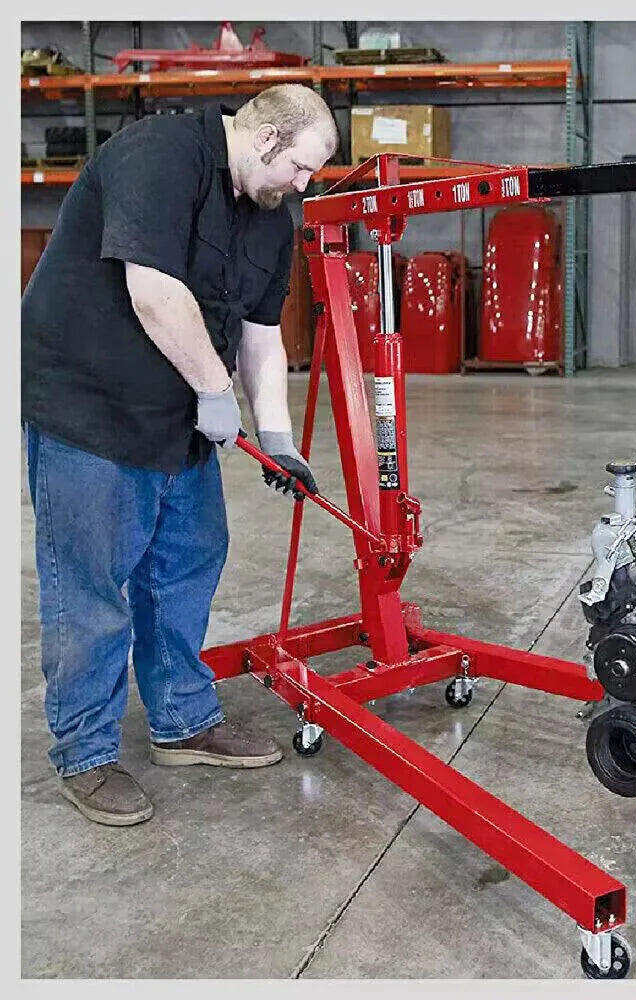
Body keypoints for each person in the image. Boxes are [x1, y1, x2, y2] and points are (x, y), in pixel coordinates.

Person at [21, 84, 339, 827]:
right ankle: (86, 754)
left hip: (180, 414)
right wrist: (213, 392)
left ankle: (182, 721)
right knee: (92, 584)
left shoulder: (271, 215)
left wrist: (278, 436)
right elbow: (155, 291)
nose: (303, 186)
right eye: (300, 168)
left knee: (187, 562)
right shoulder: (158, 154)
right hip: (88, 405)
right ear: (265, 140)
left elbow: (262, 333)